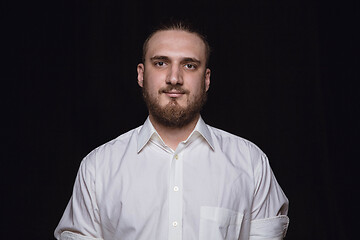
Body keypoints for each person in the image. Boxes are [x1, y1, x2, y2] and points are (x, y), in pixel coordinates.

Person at [54, 20, 289, 240]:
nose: (174, 78)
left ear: (206, 79)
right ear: (141, 74)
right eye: (160, 63)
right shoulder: (97, 169)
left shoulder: (251, 164)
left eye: (189, 65)